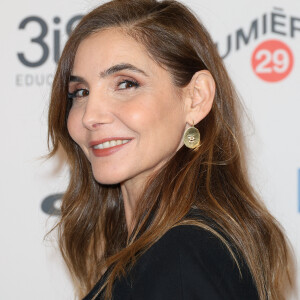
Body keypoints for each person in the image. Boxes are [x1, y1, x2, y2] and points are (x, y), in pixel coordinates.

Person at [48, 0, 295, 299]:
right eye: (81, 92)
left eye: (126, 84)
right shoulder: (169, 248)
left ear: (195, 99)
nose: (89, 116)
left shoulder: (182, 257)